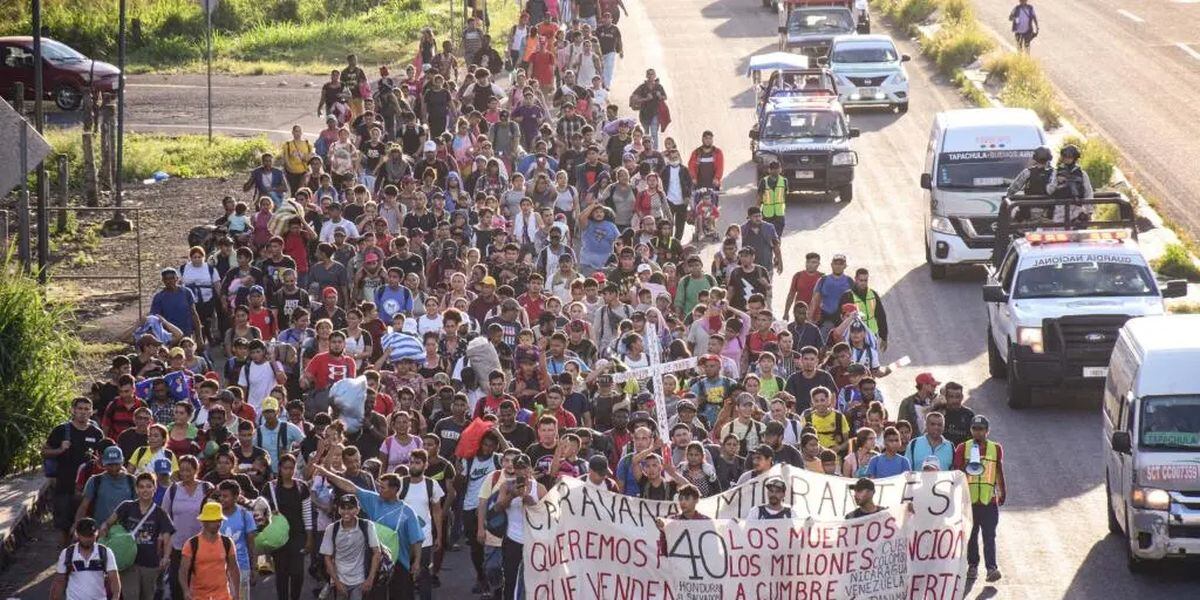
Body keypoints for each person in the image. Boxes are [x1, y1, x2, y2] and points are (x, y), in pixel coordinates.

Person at [98, 473, 175, 600]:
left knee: (147, 597)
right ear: (136, 489)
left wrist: (166, 557)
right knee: (131, 596)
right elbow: (108, 523)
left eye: (149, 486)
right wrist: (104, 529)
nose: (145, 490)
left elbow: (168, 537)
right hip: (128, 561)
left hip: (150, 563)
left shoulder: (160, 513)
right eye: (141, 487)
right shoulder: (126, 506)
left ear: (154, 489)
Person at [45, 397, 106, 547]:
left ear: (91, 412)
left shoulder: (97, 433)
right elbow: (44, 452)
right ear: (73, 410)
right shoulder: (61, 430)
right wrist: (60, 449)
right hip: (65, 485)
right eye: (80, 408)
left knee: (88, 527)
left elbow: (102, 459)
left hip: (88, 488)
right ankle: (64, 556)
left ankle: (85, 558)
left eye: (86, 409)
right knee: (63, 526)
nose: (83, 412)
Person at [953, 415, 1006, 583]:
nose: (978, 433)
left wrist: (1002, 491)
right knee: (971, 535)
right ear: (971, 430)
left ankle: (991, 568)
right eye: (975, 429)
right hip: (969, 500)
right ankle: (973, 565)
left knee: (989, 535)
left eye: (981, 429)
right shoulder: (963, 448)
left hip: (988, 499)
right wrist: (969, 465)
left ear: (987, 431)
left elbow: (998, 470)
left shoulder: (995, 448)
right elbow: (957, 472)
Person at [320, 494, 383, 600]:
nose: (346, 512)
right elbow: (327, 558)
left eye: (350, 508)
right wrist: (337, 582)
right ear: (338, 510)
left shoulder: (367, 526)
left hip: (360, 580)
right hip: (340, 580)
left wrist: (370, 579)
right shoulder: (332, 529)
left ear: (357, 510)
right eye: (343, 508)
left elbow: (377, 552)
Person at [179, 502, 241, 600]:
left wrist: (236, 593)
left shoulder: (227, 542)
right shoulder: (192, 544)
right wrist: (185, 591)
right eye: (213, 521)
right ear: (204, 522)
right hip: (199, 597)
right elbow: (183, 571)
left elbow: (234, 568)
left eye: (219, 520)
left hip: (223, 596)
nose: (217, 524)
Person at [49, 517, 122, 600]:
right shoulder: (67, 553)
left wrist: (115, 597)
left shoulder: (105, 552)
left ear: (97, 533)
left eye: (90, 535)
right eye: (84, 535)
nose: (87, 539)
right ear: (77, 534)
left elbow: (114, 580)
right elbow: (59, 581)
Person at [756, 160, 787, 234]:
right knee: (767, 234)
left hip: (779, 214)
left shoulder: (784, 181)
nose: (776, 171)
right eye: (774, 169)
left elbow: (784, 195)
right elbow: (759, 197)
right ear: (769, 170)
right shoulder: (764, 181)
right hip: (768, 214)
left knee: (777, 235)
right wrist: (757, 210)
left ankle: (776, 241)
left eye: (777, 168)